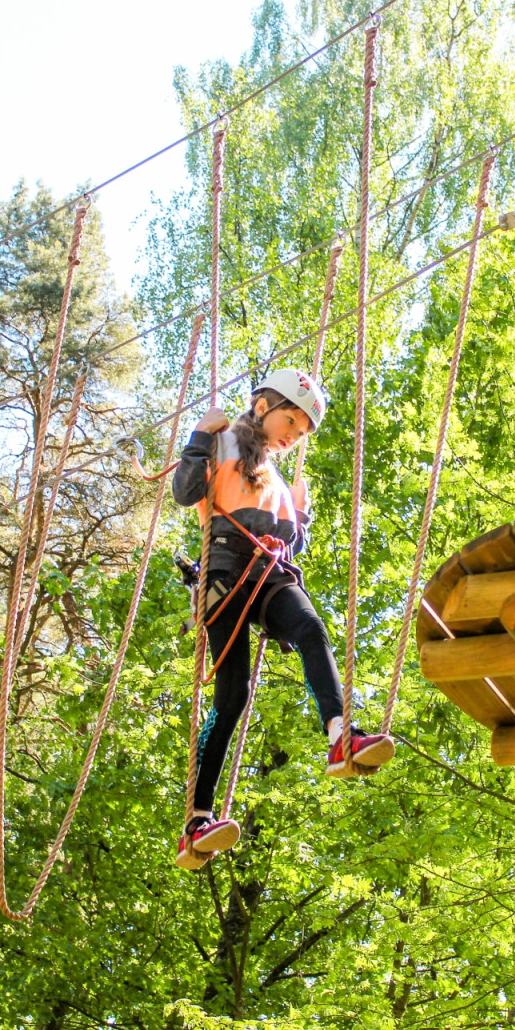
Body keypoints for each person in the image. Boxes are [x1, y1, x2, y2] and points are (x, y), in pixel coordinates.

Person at [171, 367, 394, 869]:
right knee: (232, 697)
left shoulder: (275, 476)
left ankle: (341, 738)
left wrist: (301, 517)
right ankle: (197, 822)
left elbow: (294, 547)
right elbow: (185, 493)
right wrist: (198, 437)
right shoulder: (223, 439)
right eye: (292, 423)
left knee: (313, 629)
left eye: (302, 432)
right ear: (265, 405)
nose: (295, 437)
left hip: (270, 574)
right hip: (226, 570)